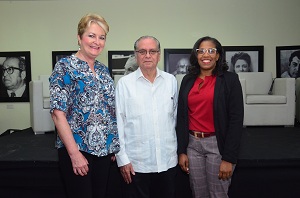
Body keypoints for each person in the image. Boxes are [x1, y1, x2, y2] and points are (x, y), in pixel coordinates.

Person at [49, 13, 120, 198]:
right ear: (79, 37)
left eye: (101, 37)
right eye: (91, 35)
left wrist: (112, 144)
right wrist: (74, 154)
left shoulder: (104, 70)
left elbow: (109, 110)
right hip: (77, 150)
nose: (97, 42)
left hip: (104, 152)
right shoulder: (64, 67)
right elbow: (57, 114)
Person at [176, 36, 244, 198]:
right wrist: (182, 151)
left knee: (218, 193)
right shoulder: (187, 80)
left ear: (218, 55)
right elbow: (182, 117)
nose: (206, 55)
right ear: (196, 55)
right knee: (198, 193)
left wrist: (229, 158)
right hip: (193, 146)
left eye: (211, 51)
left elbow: (236, 120)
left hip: (217, 146)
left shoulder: (230, 80)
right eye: (201, 51)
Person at [115, 35, 178, 198]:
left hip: (168, 161)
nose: (147, 55)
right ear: (136, 55)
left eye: (152, 51)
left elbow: (176, 119)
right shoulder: (124, 84)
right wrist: (122, 159)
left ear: (159, 54)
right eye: (142, 51)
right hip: (136, 165)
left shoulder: (171, 81)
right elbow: (118, 123)